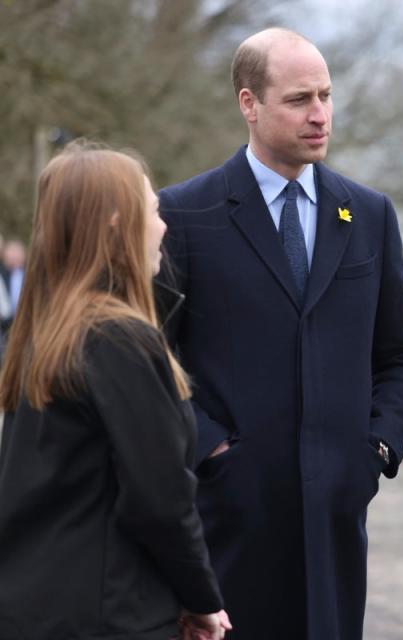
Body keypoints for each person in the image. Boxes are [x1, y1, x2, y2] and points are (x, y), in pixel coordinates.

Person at [156, 28, 403, 640]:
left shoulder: (369, 214)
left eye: (326, 96)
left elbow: (399, 356)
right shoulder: (185, 213)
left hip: (336, 515)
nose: (320, 115)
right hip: (227, 520)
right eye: (300, 99)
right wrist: (212, 451)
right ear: (249, 104)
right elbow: (154, 358)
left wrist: (377, 446)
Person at [0, 143, 230, 640]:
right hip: (109, 615)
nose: (163, 226)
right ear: (114, 222)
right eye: (151, 211)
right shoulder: (118, 340)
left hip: (35, 608)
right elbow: (161, 501)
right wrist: (201, 598)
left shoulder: (42, 334)